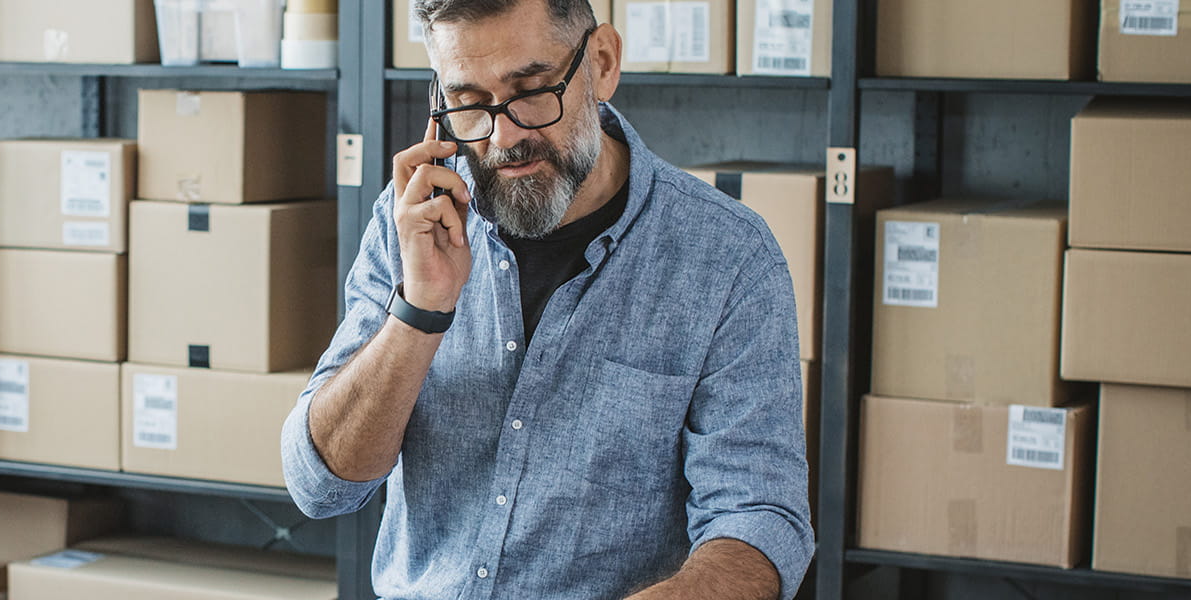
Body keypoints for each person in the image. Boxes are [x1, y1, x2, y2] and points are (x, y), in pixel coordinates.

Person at [279, 0, 813, 598]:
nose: (504, 137)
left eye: (531, 90)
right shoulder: (410, 221)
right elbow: (321, 487)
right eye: (469, 103)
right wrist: (418, 310)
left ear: (603, 63)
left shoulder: (727, 257)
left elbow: (759, 517)